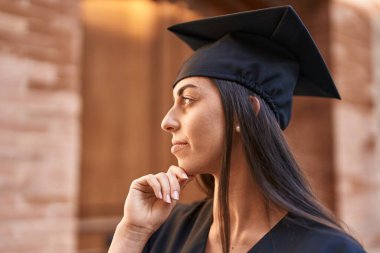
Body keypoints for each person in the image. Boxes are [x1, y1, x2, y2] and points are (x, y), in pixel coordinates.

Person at [108, 5, 367, 253]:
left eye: (187, 100)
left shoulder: (327, 249)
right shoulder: (165, 230)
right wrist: (131, 232)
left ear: (248, 111)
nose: (167, 121)